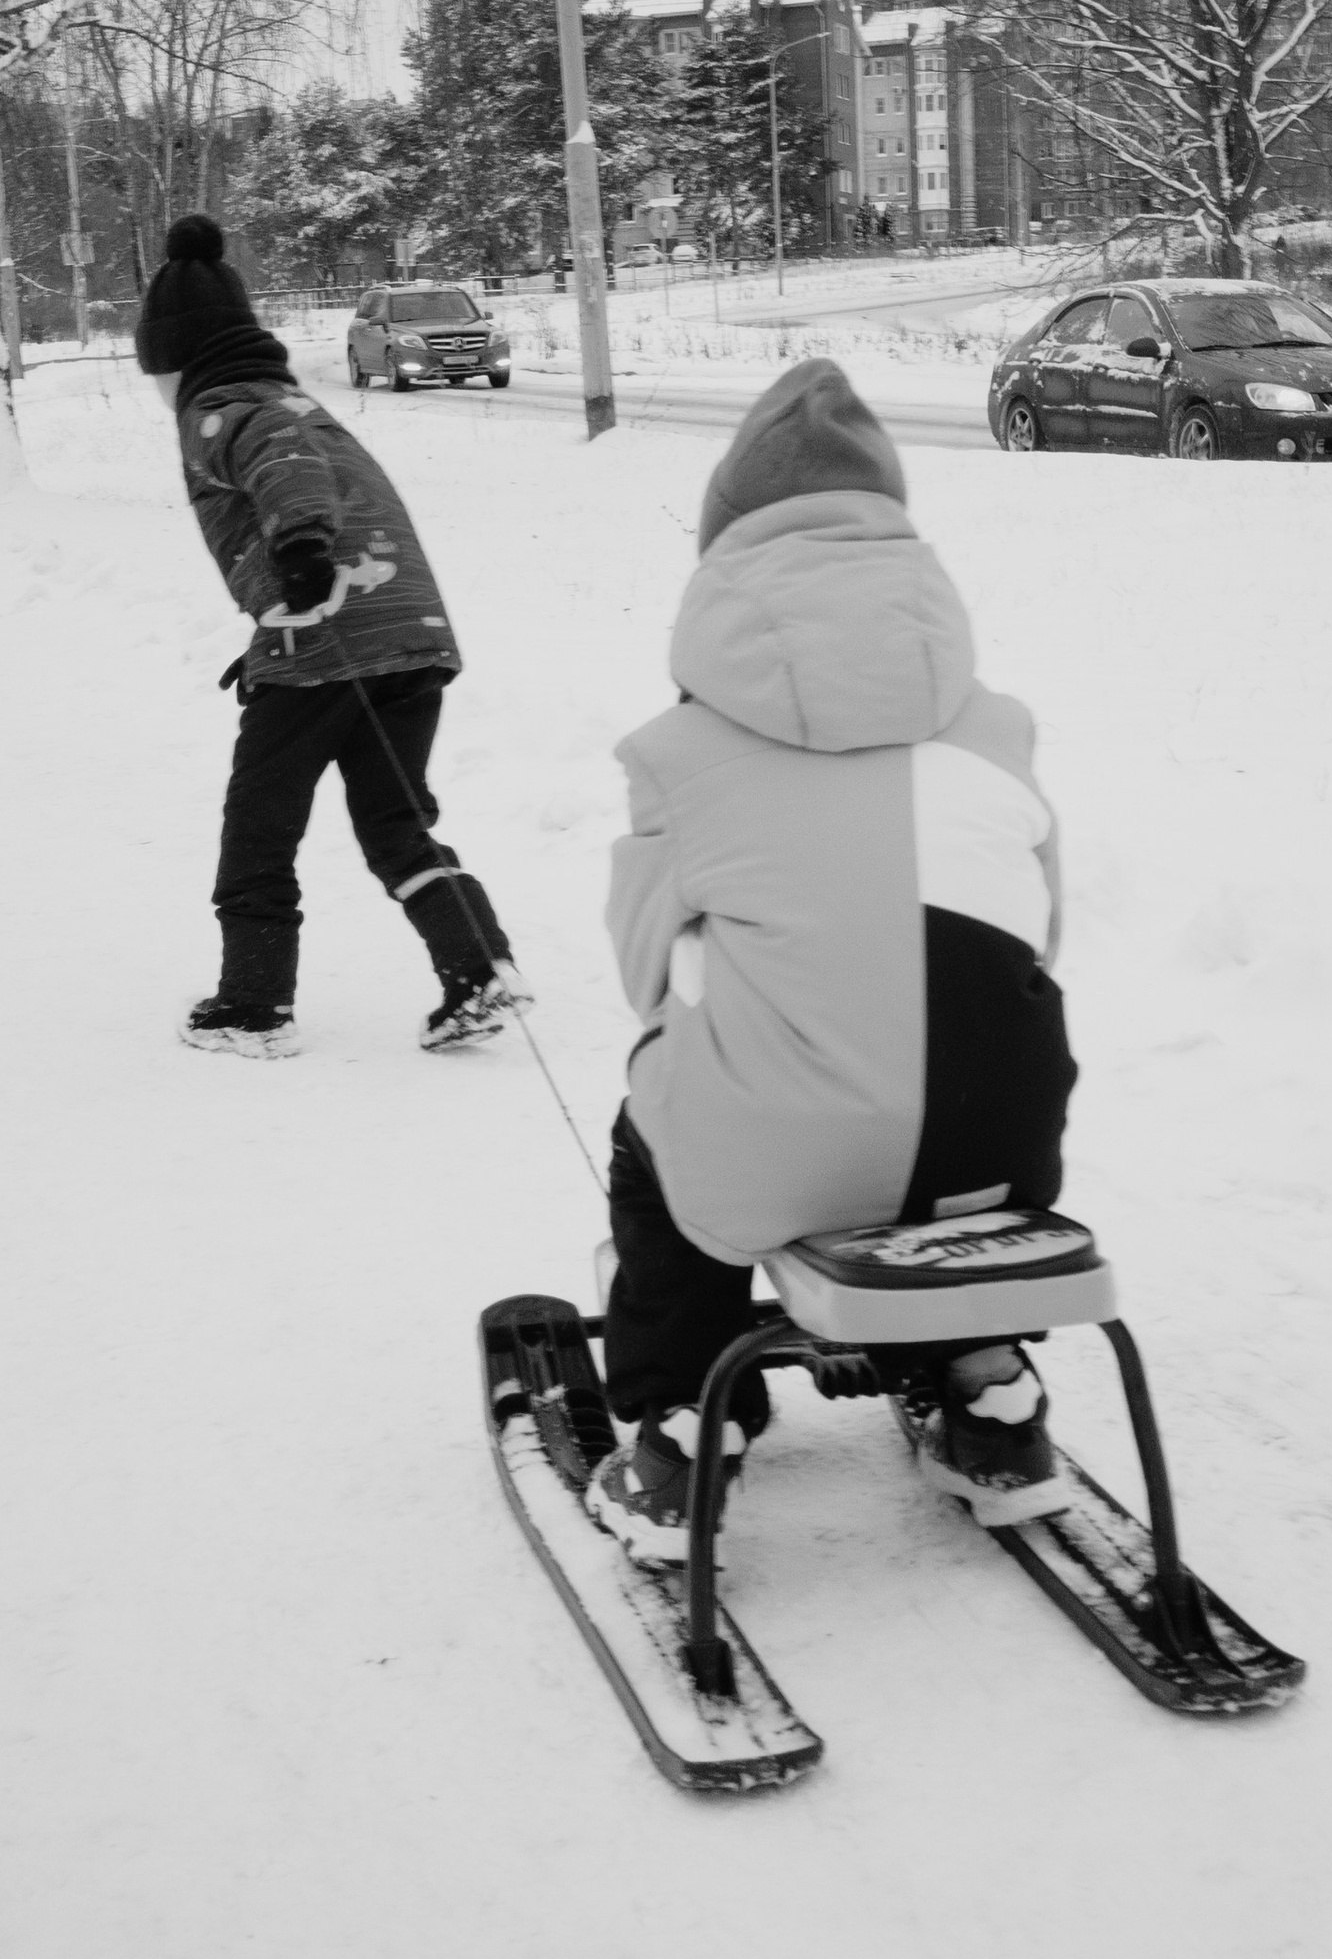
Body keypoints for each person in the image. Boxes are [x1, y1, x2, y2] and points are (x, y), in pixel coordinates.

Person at [588, 356, 1078, 1566]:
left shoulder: (677, 755)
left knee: (663, 1125)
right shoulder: (996, 730)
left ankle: (682, 1424)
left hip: (779, 1159)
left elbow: (647, 978)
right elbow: (1039, 934)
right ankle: (985, 1390)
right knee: (934, 1097)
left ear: (722, 559)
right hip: (1003, 1152)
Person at [136, 215, 521, 1057]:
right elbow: (303, 470)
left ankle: (254, 1005)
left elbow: (285, 467)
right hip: (408, 635)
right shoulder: (295, 403)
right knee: (394, 823)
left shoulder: (221, 408)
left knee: (260, 825)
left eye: (157, 373)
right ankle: (478, 968)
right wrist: (282, 607)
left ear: (176, 360)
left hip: (326, 641)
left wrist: (303, 550)